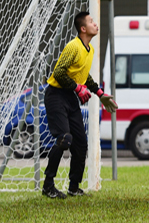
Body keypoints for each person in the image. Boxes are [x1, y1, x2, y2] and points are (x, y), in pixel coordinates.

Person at [42, 12, 118, 199]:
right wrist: (77, 88)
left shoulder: (89, 50)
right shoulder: (73, 46)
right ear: (83, 28)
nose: (95, 24)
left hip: (70, 98)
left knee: (81, 144)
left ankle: (73, 187)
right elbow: (58, 72)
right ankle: (48, 185)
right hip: (56, 96)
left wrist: (100, 94)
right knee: (65, 139)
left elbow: (85, 77)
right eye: (92, 21)